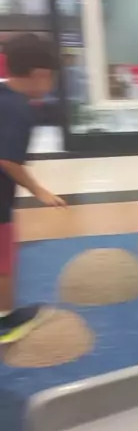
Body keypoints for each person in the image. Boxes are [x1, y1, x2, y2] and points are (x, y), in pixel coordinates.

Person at [0, 35, 66, 343]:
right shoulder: (19, 109)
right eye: (51, 77)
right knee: (4, 260)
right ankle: (5, 320)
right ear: (40, 74)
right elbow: (7, 160)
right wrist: (40, 191)